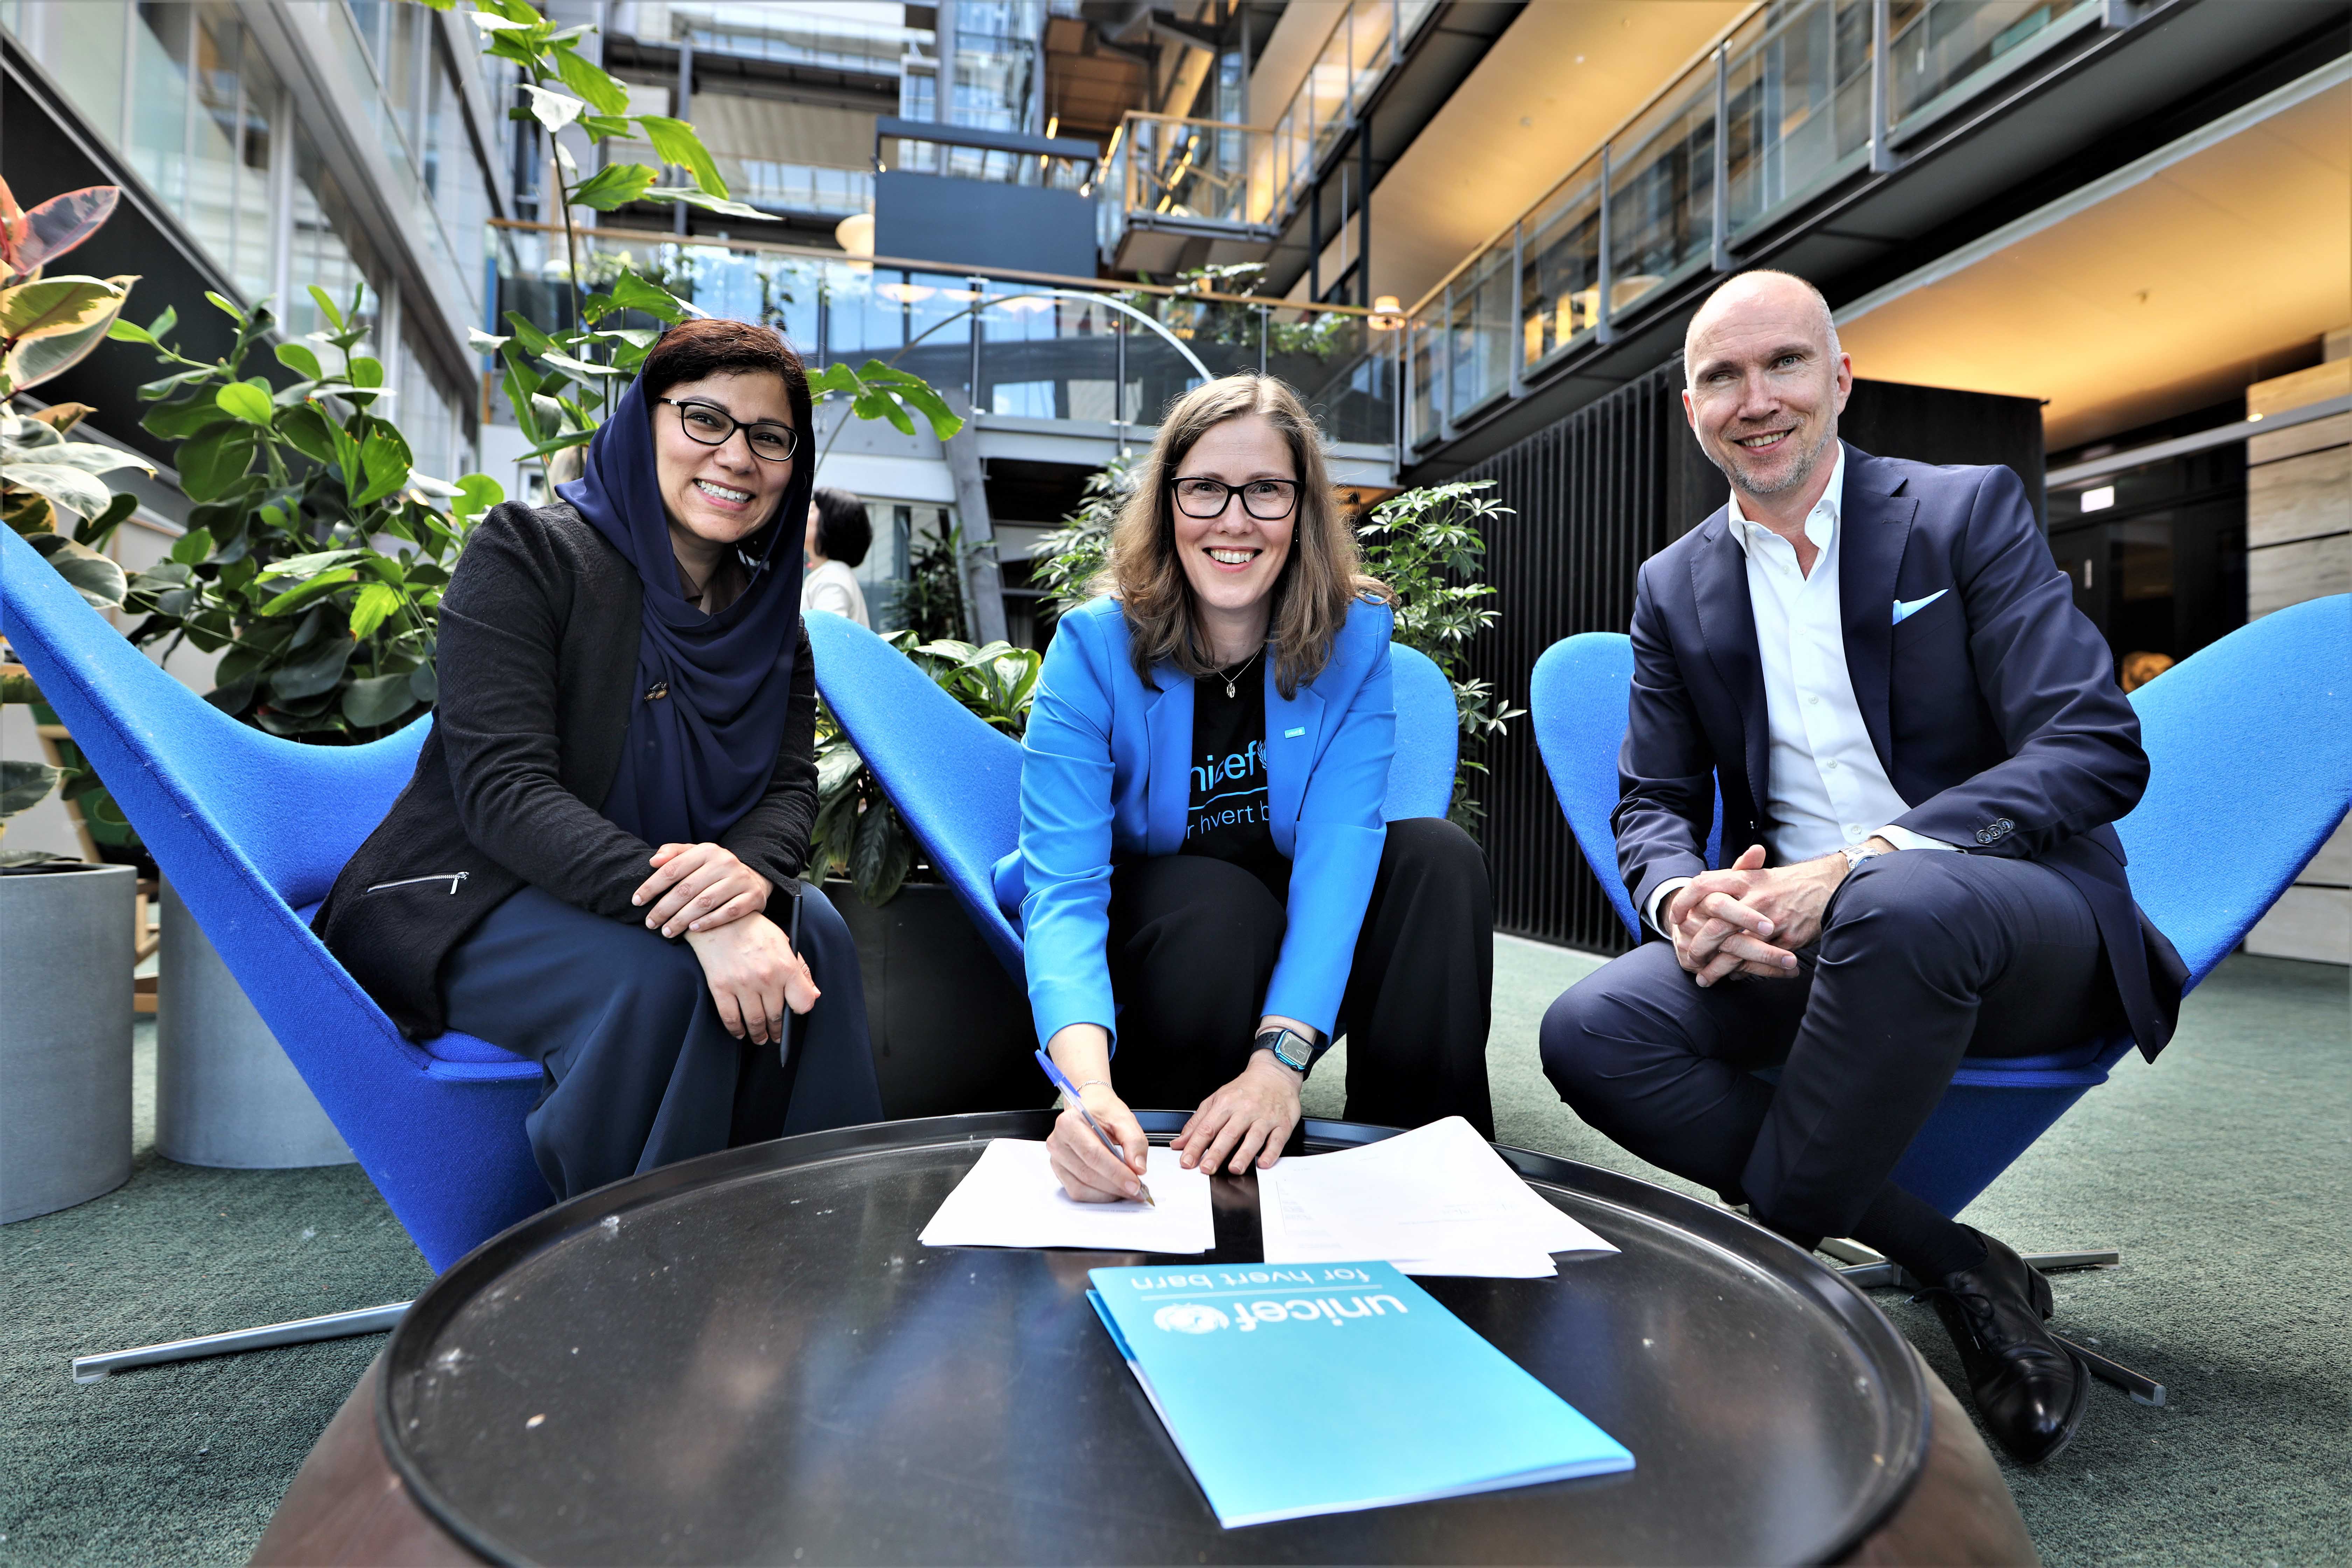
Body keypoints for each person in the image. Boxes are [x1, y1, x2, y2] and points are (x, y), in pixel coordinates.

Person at [1538, 271, 2186, 1465]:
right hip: (1807, 934)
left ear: (1839, 381)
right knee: (1591, 1028)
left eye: (1784, 364)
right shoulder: (1676, 585)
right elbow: (1655, 801)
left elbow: (2094, 748)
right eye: (1723, 377)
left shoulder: (1961, 513)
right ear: (1693, 410)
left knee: (1897, 897)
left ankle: (1773, 1289)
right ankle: (1953, 1263)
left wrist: (1858, 862)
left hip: (2016, 918)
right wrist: (1690, 897)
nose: (1757, 399)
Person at [315, 318, 883, 1202]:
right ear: (642, 423)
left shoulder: (772, 619)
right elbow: (503, 792)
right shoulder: (529, 552)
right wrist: (699, 914)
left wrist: (744, 879)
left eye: (770, 437)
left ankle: (805, 1230)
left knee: (820, 935)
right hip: (474, 892)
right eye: (704, 419)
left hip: (651, 887)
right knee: (662, 981)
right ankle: (628, 1268)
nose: (737, 456)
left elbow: (787, 787)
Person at [995, 374, 1494, 1205]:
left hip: (1290, 923)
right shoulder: (1092, 649)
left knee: (1437, 862)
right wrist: (1086, 1092)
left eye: (1266, 490)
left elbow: (1343, 852)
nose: (1234, 520)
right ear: (1168, 505)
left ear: (1301, 510)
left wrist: (1281, 1060)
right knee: (1219, 902)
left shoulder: (1355, 639)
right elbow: (1066, 894)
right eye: (1205, 490)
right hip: (1160, 932)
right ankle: (1188, 1160)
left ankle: (1421, 1170)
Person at [803, 485, 872, 626]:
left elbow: (826, 639)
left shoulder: (831, 579)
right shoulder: (833, 574)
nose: (803, 515)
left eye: (812, 510)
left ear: (829, 525)